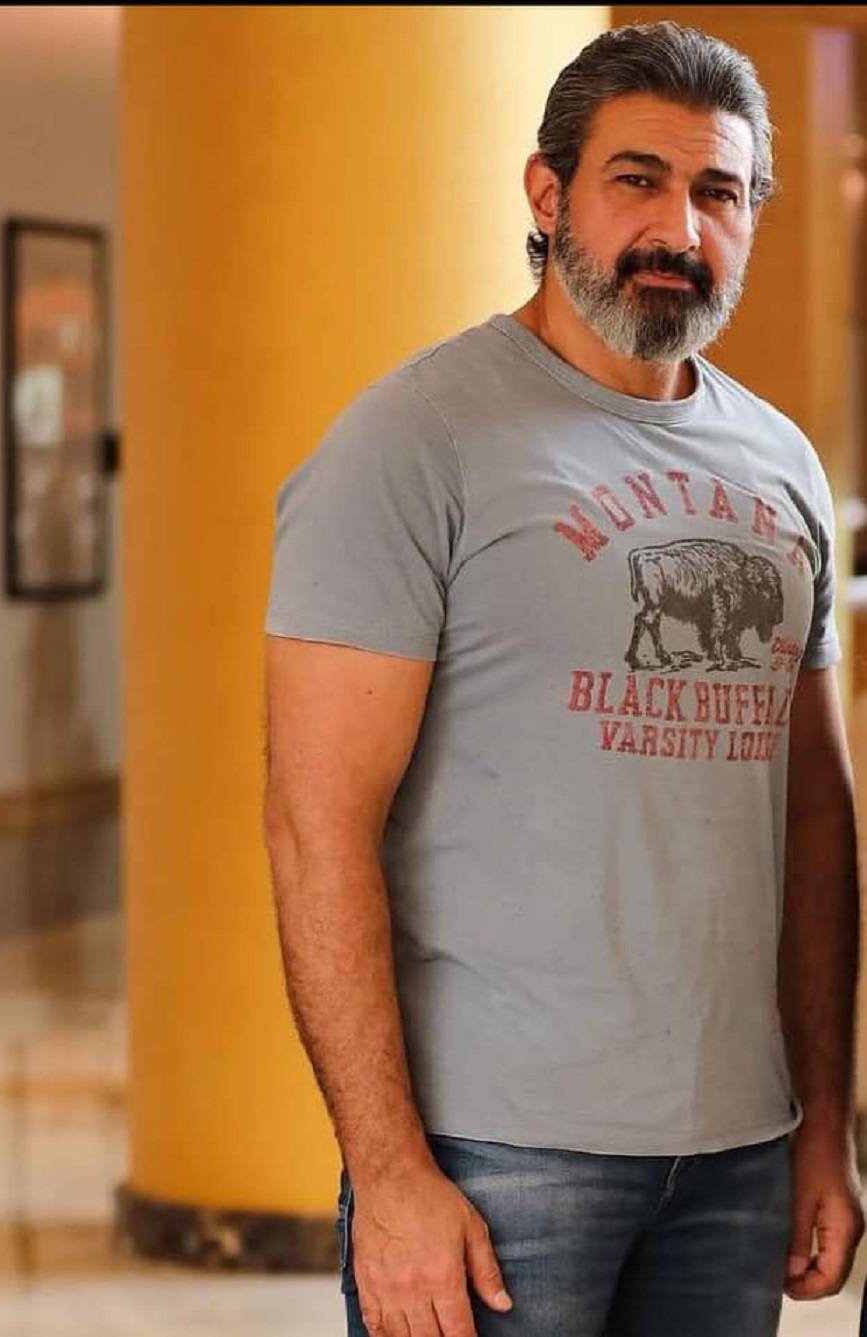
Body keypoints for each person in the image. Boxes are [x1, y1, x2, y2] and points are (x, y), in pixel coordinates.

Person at [261, 20, 864, 1337]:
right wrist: (389, 1172)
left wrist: (824, 1125)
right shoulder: (413, 442)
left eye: (718, 192)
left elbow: (815, 822)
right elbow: (317, 830)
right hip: (494, 1155)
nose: (679, 230)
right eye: (637, 180)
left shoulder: (782, 465)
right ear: (549, 194)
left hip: (739, 1149)